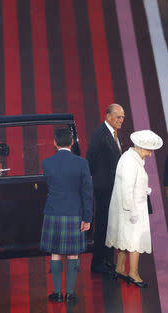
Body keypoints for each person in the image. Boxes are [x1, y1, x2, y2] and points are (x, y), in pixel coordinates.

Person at [40, 128, 93, 303]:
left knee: (55, 252)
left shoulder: (46, 163)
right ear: (72, 143)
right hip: (74, 213)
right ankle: (70, 293)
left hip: (53, 213)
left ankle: (57, 293)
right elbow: (87, 193)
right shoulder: (82, 163)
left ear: (54, 143)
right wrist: (87, 218)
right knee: (73, 254)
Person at [105, 130, 163, 288]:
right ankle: (134, 273)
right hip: (132, 209)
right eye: (148, 150)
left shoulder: (131, 158)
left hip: (130, 207)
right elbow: (127, 187)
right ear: (140, 147)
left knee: (124, 240)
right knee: (135, 240)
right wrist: (131, 210)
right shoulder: (131, 161)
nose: (150, 155)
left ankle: (120, 268)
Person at [86, 103, 125, 274]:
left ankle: (108, 261)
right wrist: (98, 180)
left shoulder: (114, 134)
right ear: (108, 116)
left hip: (112, 188)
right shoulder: (100, 134)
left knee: (111, 225)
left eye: (123, 117)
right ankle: (98, 263)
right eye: (118, 116)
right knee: (102, 225)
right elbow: (90, 159)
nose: (121, 120)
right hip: (103, 189)